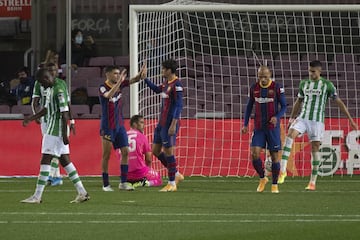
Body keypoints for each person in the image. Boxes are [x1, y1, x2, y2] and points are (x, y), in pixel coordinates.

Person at [278, 60, 358, 190]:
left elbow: (339, 103)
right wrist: (292, 118)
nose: (311, 74)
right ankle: (282, 170)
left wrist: (350, 120)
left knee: (315, 148)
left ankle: (312, 182)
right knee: (290, 135)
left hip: (317, 122)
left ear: (319, 71)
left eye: (313, 71)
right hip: (303, 118)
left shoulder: (327, 85)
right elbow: (298, 101)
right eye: (309, 71)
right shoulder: (304, 83)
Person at [21, 68, 89, 203]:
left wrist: (64, 134)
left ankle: (37, 196)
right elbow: (46, 109)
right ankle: (82, 192)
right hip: (54, 127)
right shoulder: (51, 87)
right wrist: (31, 118)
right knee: (65, 160)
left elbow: (64, 113)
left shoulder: (58, 90)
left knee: (45, 159)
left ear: (46, 78)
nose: (41, 85)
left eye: (42, 82)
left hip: (55, 129)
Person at [99, 65, 146, 191]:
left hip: (119, 125)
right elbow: (108, 95)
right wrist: (119, 82)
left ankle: (123, 182)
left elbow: (134, 80)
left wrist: (140, 75)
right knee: (106, 155)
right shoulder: (102, 87)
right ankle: (106, 184)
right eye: (115, 73)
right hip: (108, 127)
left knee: (125, 151)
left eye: (118, 73)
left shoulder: (120, 84)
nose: (117, 76)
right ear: (107, 74)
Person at [241, 65, 287, 193]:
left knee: (274, 156)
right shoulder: (254, 88)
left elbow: (284, 106)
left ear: (270, 75)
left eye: (265, 77)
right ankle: (262, 178)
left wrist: (277, 117)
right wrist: (245, 124)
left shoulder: (277, 87)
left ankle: (275, 184)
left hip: (272, 128)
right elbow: (249, 106)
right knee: (254, 154)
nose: (263, 79)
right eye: (260, 76)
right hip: (259, 127)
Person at [143, 59, 184, 192]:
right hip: (161, 123)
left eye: (163, 69)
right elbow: (156, 89)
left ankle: (172, 183)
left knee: (169, 152)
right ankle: (176, 173)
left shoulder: (177, 85)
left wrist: (173, 124)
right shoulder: (166, 83)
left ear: (169, 70)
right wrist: (145, 79)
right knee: (155, 150)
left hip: (169, 124)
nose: (161, 71)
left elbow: (179, 106)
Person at [32, 63, 76, 186]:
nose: (52, 72)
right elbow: (36, 102)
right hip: (46, 121)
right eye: (50, 70)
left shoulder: (60, 85)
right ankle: (56, 177)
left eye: (54, 70)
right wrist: (36, 116)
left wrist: (71, 121)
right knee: (57, 153)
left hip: (58, 122)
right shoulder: (40, 83)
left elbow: (66, 107)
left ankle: (53, 176)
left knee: (53, 152)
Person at [127, 114, 162, 187]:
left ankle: (128, 182)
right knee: (158, 179)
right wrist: (147, 172)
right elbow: (148, 159)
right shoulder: (142, 137)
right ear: (134, 124)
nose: (144, 125)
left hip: (125, 174)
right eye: (141, 122)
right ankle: (145, 183)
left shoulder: (123, 135)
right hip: (139, 172)